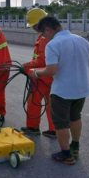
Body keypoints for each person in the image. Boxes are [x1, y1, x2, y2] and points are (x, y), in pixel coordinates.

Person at [29, 16, 89, 165]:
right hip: (81, 88)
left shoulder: (53, 44)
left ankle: (66, 155)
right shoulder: (83, 41)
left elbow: (51, 71)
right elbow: (86, 64)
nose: (43, 37)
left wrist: (36, 73)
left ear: (49, 29)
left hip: (62, 91)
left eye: (43, 34)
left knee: (61, 123)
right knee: (75, 117)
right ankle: (75, 147)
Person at [20, 8, 57, 138]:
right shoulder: (51, 35)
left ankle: (33, 127)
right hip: (52, 76)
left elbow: (41, 59)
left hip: (41, 76)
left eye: (33, 25)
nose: (33, 28)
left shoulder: (44, 38)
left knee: (34, 101)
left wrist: (26, 67)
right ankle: (54, 130)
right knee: (51, 104)